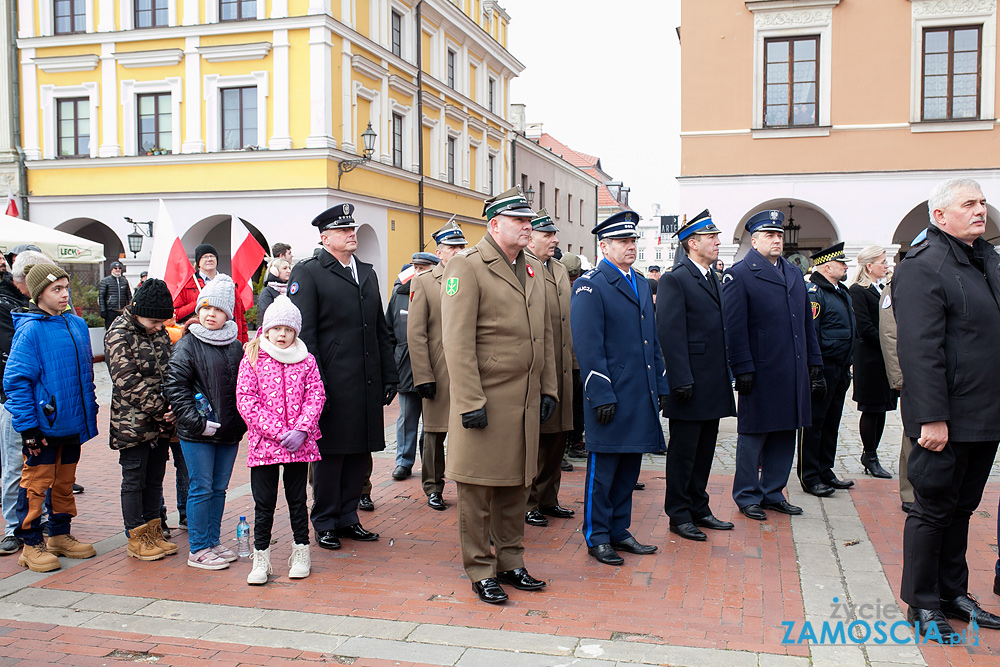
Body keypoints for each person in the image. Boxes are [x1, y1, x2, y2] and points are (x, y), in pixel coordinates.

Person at [894, 178, 1000, 641]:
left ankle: (953, 593)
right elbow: (920, 350)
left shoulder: (985, 259)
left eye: (982, 202)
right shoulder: (924, 265)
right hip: (947, 415)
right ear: (940, 216)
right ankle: (921, 602)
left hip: (985, 411)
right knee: (933, 508)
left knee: (962, 508)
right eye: (969, 204)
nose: (980, 210)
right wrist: (930, 417)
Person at [441, 186, 557, 604]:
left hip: (523, 400)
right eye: (519, 221)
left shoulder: (532, 269)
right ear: (494, 225)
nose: (528, 227)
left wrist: (548, 388)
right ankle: (479, 567)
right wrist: (470, 401)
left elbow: (542, 335)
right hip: (485, 400)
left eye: (529, 221)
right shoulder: (466, 267)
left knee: (515, 486)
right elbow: (456, 342)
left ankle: (511, 561)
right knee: (476, 490)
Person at [289, 203, 397, 551]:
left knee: (359, 453)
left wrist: (388, 374)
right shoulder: (309, 272)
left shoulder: (365, 272)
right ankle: (325, 520)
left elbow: (379, 327)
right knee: (331, 455)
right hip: (332, 380)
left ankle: (349, 516)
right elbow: (306, 336)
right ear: (325, 238)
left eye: (352, 229)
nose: (352, 234)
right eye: (343, 230)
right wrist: (315, 386)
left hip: (365, 380)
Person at [571, 211, 668, 566]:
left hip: (638, 393)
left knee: (629, 467)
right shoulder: (590, 285)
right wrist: (601, 394)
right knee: (604, 470)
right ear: (604, 246)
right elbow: (588, 346)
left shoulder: (640, 283)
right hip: (610, 394)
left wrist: (661, 383)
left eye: (633, 241)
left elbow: (651, 341)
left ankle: (619, 530)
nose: (630, 247)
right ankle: (597, 536)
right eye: (623, 242)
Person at [722, 210, 822, 521]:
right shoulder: (740, 274)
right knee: (754, 436)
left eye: (779, 235)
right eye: (769, 235)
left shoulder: (793, 273)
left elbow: (806, 323)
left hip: (791, 368)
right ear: (754, 241)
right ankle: (748, 494)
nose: (777, 240)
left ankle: (773, 492)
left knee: (784, 433)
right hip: (760, 369)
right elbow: (733, 327)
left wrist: (814, 361)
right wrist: (742, 368)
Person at [4, 262, 99, 572]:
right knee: (36, 483)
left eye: (65, 288)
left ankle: (60, 534)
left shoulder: (77, 325)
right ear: (38, 294)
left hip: (72, 422)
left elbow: (85, 374)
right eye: (56, 289)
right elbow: (17, 383)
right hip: (44, 426)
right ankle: (31, 544)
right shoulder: (30, 330)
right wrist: (29, 428)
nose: (64, 294)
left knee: (64, 482)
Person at [656, 210, 736, 542]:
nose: (718, 242)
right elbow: (670, 333)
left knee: (705, 449)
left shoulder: (712, 276)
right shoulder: (676, 278)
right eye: (711, 238)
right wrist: (680, 379)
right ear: (693, 243)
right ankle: (679, 513)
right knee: (684, 451)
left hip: (712, 380)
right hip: (689, 382)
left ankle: (699, 506)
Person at [236, 295, 325, 585]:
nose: (283, 335)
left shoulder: (306, 359)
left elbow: (316, 395)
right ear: (267, 329)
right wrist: (276, 431)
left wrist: (301, 429)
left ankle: (301, 551)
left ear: (296, 332)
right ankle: (260, 557)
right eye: (277, 329)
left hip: (299, 444)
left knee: (297, 500)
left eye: (288, 330)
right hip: (265, 444)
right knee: (264, 503)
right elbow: (246, 400)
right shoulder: (252, 357)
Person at [163, 274, 247, 570]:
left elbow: (244, 386)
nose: (210, 314)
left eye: (218, 309)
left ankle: (213, 541)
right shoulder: (187, 344)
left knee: (219, 488)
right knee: (201, 486)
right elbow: (175, 387)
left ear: (228, 313)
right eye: (206, 308)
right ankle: (198, 548)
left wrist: (242, 421)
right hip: (197, 432)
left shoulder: (235, 345)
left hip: (228, 430)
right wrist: (196, 422)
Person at [105, 279, 178, 561]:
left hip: (161, 422)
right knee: (134, 478)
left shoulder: (158, 333)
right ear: (137, 311)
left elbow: (171, 369)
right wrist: (162, 410)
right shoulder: (118, 334)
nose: (159, 327)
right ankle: (136, 536)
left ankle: (153, 531)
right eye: (155, 321)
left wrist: (173, 405)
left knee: (155, 479)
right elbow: (128, 381)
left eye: (163, 321)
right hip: (132, 422)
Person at [408, 220, 467, 511]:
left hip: (467, 369)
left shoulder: (473, 275)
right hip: (438, 371)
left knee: (469, 429)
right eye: (451, 247)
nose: (457, 252)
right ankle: (433, 486)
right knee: (434, 433)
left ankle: (468, 482)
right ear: (439, 252)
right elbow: (416, 333)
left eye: (460, 247)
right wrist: (423, 376)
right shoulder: (424, 281)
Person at [522, 209, 576, 528]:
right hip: (540, 369)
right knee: (535, 440)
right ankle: (528, 501)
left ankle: (548, 497)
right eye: (547, 235)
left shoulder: (557, 267)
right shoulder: (524, 267)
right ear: (532, 238)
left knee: (558, 437)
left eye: (554, 235)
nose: (554, 240)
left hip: (564, 367)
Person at [0, 251, 54, 556]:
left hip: (47, 402)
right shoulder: (6, 306)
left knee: (42, 466)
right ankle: (14, 527)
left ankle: (40, 520)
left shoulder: (44, 310)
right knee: (15, 465)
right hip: (14, 402)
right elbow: (17, 367)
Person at [797, 243, 856, 497]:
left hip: (840, 367)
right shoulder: (814, 292)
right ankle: (809, 475)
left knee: (832, 422)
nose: (845, 267)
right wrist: (815, 371)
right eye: (841, 263)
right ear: (827, 266)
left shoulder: (840, 290)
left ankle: (825, 469)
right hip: (823, 367)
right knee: (815, 423)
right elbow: (813, 334)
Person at [879, 229, 928, 515]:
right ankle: (909, 492)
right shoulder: (899, 281)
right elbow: (890, 331)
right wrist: (897, 376)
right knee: (913, 435)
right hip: (913, 373)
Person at [386, 253, 439, 481]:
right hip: (406, 367)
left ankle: (429, 464)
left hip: (435, 368)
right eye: (415, 267)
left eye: (424, 267)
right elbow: (389, 331)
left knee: (432, 422)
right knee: (407, 418)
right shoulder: (399, 294)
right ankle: (403, 462)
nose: (418, 272)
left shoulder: (441, 291)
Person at [848, 245, 895, 479]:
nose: (887, 266)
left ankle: (872, 454)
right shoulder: (858, 290)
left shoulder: (881, 288)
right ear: (869, 266)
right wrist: (890, 343)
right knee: (871, 408)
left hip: (884, 358)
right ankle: (870, 454)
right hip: (870, 358)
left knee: (882, 408)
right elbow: (865, 328)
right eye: (883, 262)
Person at [173, 243, 248, 343]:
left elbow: (240, 317)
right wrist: (201, 302)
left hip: (228, 340)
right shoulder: (187, 284)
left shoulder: (228, 284)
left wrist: (244, 343)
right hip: (198, 340)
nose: (209, 259)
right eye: (204, 256)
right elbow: (176, 314)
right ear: (198, 262)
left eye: (212, 256)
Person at [99, 261, 133, 330]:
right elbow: (102, 296)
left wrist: (130, 308)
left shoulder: (124, 281)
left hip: (122, 311)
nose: (118, 270)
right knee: (110, 330)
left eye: (119, 268)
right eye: (115, 268)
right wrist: (103, 310)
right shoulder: (106, 281)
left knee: (122, 330)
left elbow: (129, 295)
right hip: (110, 311)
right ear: (112, 270)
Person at [257, 258, 291, 324]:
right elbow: (267, 315)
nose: (289, 271)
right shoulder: (267, 292)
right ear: (275, 271)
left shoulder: (292, 289)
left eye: (289, 268)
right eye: (285, 268)